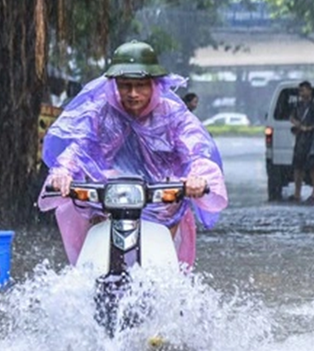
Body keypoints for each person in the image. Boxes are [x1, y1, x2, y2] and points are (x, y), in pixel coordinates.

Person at [38, 40, 227, 268]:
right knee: (93, 262)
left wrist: (198, 176)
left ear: (155, 85)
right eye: (125, 85)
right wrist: (62, 172)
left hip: (161, 201)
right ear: (114, 85)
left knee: (163, 270)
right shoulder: (100, 113)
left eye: (141, 86)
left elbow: (195, 149)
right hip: (108, 202)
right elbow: (78, 148)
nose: (133, 94)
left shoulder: (173, 115)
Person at [290, 81, 314, 202]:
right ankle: (297, 193)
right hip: (300, 140)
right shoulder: (297, 106)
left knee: (313, 167)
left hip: (312, 139)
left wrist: (308, 128)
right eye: (300, 91)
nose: (301, 93)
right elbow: (292, 117)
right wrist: (298, 125)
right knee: (298, 167)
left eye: (303, 90)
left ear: (310, 91)